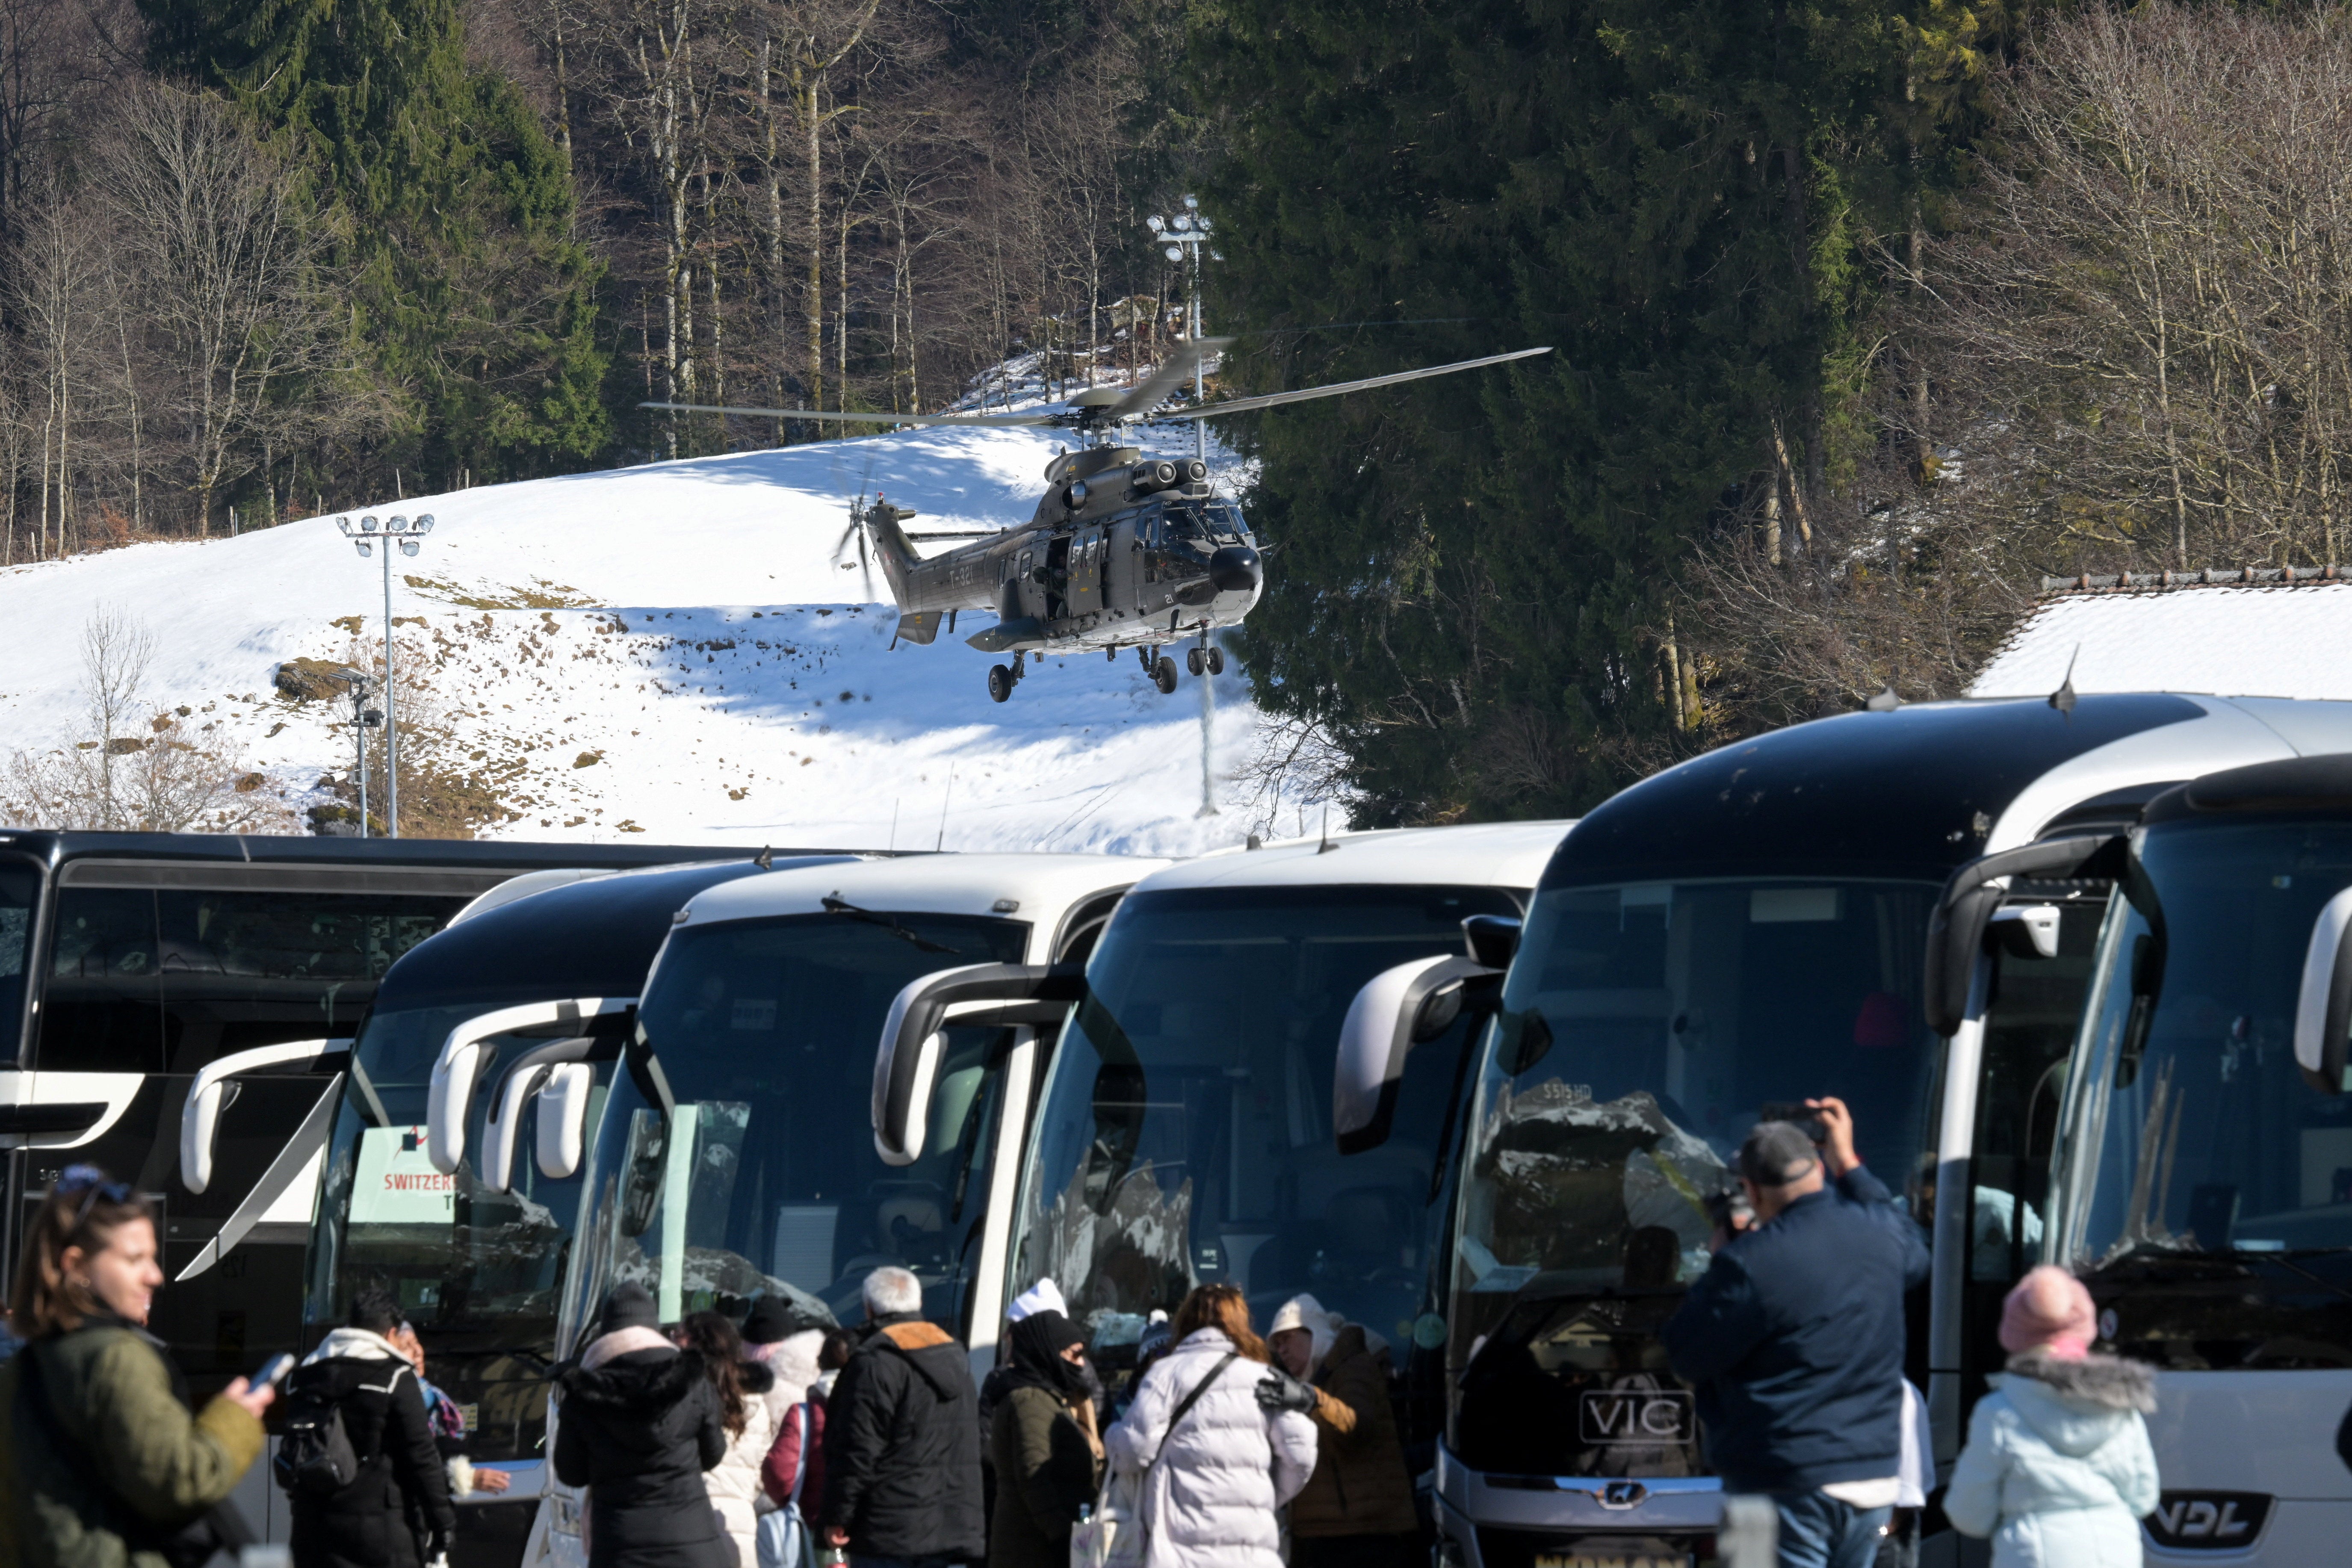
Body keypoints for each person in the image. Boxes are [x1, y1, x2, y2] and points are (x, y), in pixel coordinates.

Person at [1661, 1099, 1930, 1568]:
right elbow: (1915, 1254)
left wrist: (1722, 1256)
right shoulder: (1883, 1233)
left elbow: (1685, 1352)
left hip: (1772, 1483)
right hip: (1872, 1481)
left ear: (1753, 1189)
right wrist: (1848, 1162)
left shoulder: (1750, 1263)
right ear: (1817, 1170)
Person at [0, 1163, 274, 1568]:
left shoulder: (27, 1363)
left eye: (152, 1257)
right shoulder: (116, 1357)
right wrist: (235, 1418)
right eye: (135, 1258)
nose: (155, 1275)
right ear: (76, 1265)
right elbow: (180, 1480)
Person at [1944, 1267, 2157, 1568]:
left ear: (2014, 1336)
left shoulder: (1998, 1412)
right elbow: (2144, 1498)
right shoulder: (2120, 1405)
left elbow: (1969, 1514)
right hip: (2117, 1551)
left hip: (2032, 1554)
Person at [1105, 1283, 1317, 1568]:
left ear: (1185, 1322)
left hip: (1180, 1556)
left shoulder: (1165, 1374)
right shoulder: (1263, 1377)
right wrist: (1261, 1498)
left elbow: (1132, 1451)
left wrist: (1111, 1435)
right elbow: (1301, 1453)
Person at [553, 1282, 730, 1568]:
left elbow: (571, 1472)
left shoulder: (583, 1394)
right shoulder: (694, 1381)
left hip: (620, 1546)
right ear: (653, 1329)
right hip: (694, 1544)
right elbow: (713, 1455)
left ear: (607, 1332)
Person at [818, 1266, 984, 1568]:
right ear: (918, 1305)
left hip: (887, 1530)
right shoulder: (956, 1357)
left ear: (868, 1308)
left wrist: (836, 1516)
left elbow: (857, 1450)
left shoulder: (875, 1362)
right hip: (947, 1525)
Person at [283, 1285, 459, 1568]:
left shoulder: (303, 1375)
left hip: (312, 1531)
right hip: (381, 1533)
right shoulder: (395, 1376)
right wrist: (444, 1526)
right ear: (391, 1334)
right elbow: (422, 1458)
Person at [1262, 1294, 1416, 1568]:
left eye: (1287, 1339)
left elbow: (1358, 1427)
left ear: (1313, 1332)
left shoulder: (1352, 1366)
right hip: (1319, 1534)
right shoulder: (1303, 1382)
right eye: (1277, 1344)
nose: (1282, 1350)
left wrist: (1310, 1400)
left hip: (1362, 1535)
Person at [986, 1310, 1102, 1568]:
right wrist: (1061, 1538)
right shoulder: (1030, 1400)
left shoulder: (1048, 1397)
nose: (1081, 1364)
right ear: (1047, 1350)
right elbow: (1034, 1476)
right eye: (1075, 1354)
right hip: (1033, 1551)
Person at [677, 1310, 778, 1568]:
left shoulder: (685, 1397)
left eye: (678, 1335)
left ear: (694, 1344)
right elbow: (762, 1469)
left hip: (688, 1520)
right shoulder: (755, 1401)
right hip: (740, 1523)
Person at [387, 1321, 511, 1501]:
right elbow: (405, 1472)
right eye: (406, 1346)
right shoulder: (394, 1404)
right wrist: (467, 1478)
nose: (418, 1352)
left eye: (416, 1342)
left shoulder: (430, 1396)